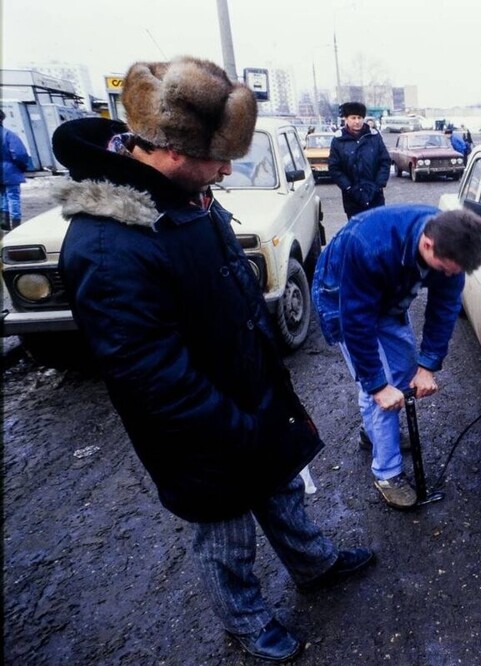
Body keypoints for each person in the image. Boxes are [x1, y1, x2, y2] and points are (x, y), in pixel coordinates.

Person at [54, 56, 374, 662]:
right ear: (172, 150)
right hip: (199, 426)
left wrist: (263, 389)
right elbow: (147, 374)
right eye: (220, 158)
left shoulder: (186, 194)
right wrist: (230, 427)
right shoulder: (108, 241)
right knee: (225, 533)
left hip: (248, 393)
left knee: (281, 492)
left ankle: (313, 565)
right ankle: (245, 618)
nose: (228, 170)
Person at [311, 205, 481, 509]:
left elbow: (445, 307)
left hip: (390, 297)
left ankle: (374, 435)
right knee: (383, 390)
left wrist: (427, 366)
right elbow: (357, 322)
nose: (450, 275)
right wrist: (378, 386)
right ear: (427, 244)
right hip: (343, 297)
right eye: (446, 269)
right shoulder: (369, 244)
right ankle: (387, 473)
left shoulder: (453, 246)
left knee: (405, 375)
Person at [328, 101, 391, 219]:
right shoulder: (338, 140)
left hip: (375, 196)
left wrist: (378, 185)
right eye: (353, 118)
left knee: (378, 230)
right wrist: (348, 188)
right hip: (352, 198)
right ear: (346, 119)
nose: (357, 121)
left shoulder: (374, 137)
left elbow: (385, 161)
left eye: (360, 117)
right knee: (357, 232)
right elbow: (334, 168)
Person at [1, 108, 33, 231]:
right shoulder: (8, 134)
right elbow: (19, 153)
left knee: (2, 196)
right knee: (13, 197)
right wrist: (22, 165)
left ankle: (4, 220)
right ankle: (15, 224)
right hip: (9, 171)